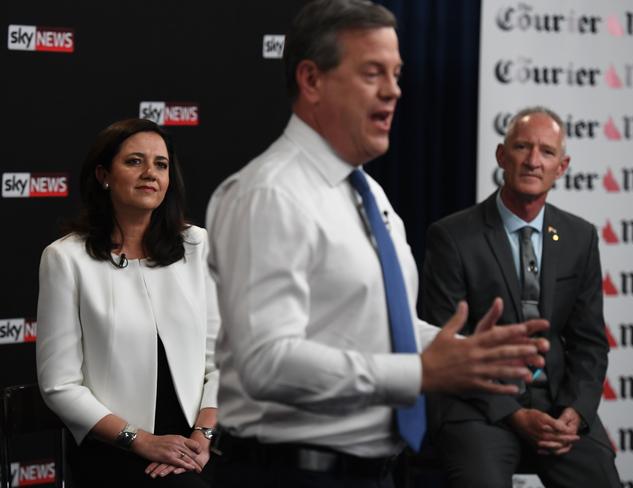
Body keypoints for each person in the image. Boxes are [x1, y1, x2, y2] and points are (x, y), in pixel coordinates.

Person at [205, 2, 548, 487]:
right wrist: (419, 373)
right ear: (312, 80)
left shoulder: (367, 193)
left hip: (374, 472)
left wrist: (468, 354)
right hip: (291, 474)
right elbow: (267, 362)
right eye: (372, 73)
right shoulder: (271, 193)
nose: (393, 91)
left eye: (396, 74)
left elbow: (385, 329)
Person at [422, 106, 621, 487]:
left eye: (546, 152)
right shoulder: (452, 237)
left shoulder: (580, 238)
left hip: (557, 404)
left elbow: (590, 344)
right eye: (522, 147)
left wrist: (576, 413)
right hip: (479, 406)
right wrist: (513, 414)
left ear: (561, 167)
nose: (533, 161)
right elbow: (443, 346)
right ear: (501, 156)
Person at [36, 118, 221, 487]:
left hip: (196, 442)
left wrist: (203, 438)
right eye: (134, 161)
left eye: (161, 164)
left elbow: (222, 363)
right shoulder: (66, 258)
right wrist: (141, 441)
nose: (150, 173)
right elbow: (60, 384)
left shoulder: (197, 246)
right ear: (104, 175)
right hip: (114, 447)